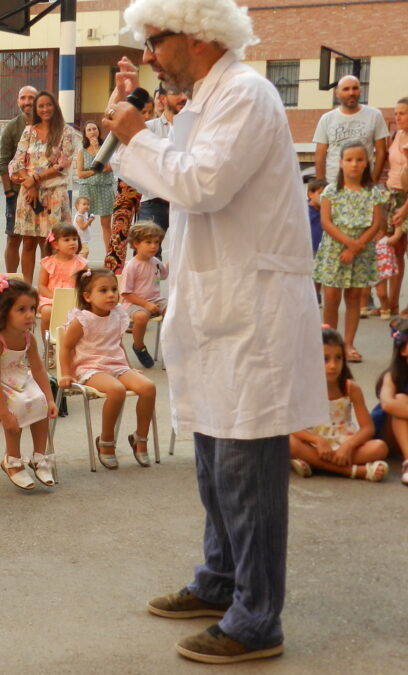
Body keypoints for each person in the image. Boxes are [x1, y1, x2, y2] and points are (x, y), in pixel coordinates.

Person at [103, 0, 327, 662]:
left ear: (196, 37)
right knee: (213, 462)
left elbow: (200, 184)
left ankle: (258, 618)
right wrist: (141, 136)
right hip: (215, 308)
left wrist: (139, 135)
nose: (147, 55)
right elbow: (177, 176)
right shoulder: (206, 101)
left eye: (153, 40)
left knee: (246, 469)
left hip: (251, 314)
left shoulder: (248, 95)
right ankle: (220, 578)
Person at [59, 268, 156, 468]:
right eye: (103, 290)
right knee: (116, 390)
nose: (111, 294)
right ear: (87, 296)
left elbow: (118, 343)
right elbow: (66, 347)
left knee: (148, 388)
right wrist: (67, 374)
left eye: (114, 289)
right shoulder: (83, 319)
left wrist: (129, 367)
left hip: (116, 365)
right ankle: (106, 441)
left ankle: (140, 437)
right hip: (91, 367)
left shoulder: (118, 314)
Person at [0, 277, 57, 489]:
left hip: (15, 374)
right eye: (21, 309)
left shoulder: (28, 338)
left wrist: (50, 399)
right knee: (15, 406)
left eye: (32, 308)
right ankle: (13, 460)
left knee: (40, 401)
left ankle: (39, 456)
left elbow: (39, 369)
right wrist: (4, 414)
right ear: (4, 311)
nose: (30, 315)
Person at [314, 142, 383, 362]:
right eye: (349, 160)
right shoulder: (331, 190)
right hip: (335, 249)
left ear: (367, 163)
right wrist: (348, 244)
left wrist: (357, 246)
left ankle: (348, 344)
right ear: (341, 163)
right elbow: (326, 221)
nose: (354, 164)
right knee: (332, 297)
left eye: (359, 160)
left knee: (354, 297)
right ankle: (329, 342)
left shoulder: (373, 192)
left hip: (362, 251)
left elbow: (375, 225)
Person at [290, 326, 388, 481]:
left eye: (338, 358)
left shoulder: (351, 389)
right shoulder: (303, 388)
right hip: (313, 444)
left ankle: (315, 464)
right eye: (325, 359)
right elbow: (292, 425)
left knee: (379, 448)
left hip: (344, 444)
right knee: (289, 442)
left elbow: (368, 428)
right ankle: (354, 471)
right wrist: (317, 440)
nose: (333, 365)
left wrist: (348, 446)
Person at [9, 90, 78, 283]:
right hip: (29, 195)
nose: (45, 109)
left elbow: (62, 164)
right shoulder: (29, 131)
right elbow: (16, 162)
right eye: (41, 106)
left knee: (51, 244)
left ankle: (47, 290)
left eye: (49, 105)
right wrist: (29, 184)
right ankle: (27, 289)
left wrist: (35, 179)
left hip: (54, 195)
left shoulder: (67, 132)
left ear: (55, 106)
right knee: (28, 243)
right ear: (36, 110)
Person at [313, 75, 388, 184]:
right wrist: (320, 185)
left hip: (364, 185)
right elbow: (320, 155)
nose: (351, 93)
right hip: (334, 185)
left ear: (360, 91)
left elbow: (381, 152)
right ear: (337, 93)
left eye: (355, 88)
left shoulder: (375, 115)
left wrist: (373, 182)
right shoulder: (327, 119)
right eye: (346, 89)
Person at [0, 86, 39, 274]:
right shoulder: (12, 128)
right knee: (14, 239)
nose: (27, 101)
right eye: (23, 97)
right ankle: (11, 281)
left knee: (43, 240)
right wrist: (9, 193)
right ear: (17, 101)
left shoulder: (49, 124)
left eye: (31, 97)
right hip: (16, 195)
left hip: (44, 193)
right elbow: (4, 164)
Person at [137, 88, 187, 232]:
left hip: (184, 201)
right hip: (154, 200)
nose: (183, 97)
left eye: (185, 92)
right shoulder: (149, 127)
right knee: (147, 250)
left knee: (187, 251)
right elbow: (145, 164)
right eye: (176, 92)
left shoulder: (193, 128)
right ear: (163, 99)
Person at [121, 222, 169, 368]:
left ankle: (169, 346)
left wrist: (171, 263)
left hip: (156, 300)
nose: (154, 246)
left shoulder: (155, 262)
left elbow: (164, 275)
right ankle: (139, 346)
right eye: (148, 242)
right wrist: (145, 304)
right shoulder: (132, 266)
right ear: (136, 244)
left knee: (173, 310)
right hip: (134, 303)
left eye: (156, 242)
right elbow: (126, 293)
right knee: (141, 317)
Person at [373, 319, 408, 485]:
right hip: (387, 435)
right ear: (403, 349)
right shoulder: (392, 376)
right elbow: (387, 404)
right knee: (400, 400)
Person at [36, 223, 87, 333]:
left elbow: (86, 285)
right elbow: (41, 285)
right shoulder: (48, 263)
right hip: (51, 300)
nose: (72, 242)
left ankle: (74, 342)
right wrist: (55, 298)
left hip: (74, 300)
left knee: (85, 313)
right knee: (47, 311)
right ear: (55, 244)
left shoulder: (82, 264)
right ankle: (48, 346)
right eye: (67, 240)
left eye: (75, 239)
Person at [76, 122, 116, 253]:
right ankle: (81, 253)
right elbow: (80, 174)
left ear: (98, 131)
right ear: (85, 134)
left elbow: (109, 167)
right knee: (83, 223)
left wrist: (98, 149)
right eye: (89, 130)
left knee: (105, 224)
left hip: (104, 188)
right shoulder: (82, 152)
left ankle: (109, 255)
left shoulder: (107, 148)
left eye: (94, 128)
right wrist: (95, 171)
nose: (92, 131)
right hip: (87, 190)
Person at [387, 98, 408, 317]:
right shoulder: (395, 136)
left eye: (402, 113)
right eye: (396, 113)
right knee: (396, 252)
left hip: (407, 199)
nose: (398, 117)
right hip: (393, 196)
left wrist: (405, 209)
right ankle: (392, 303)